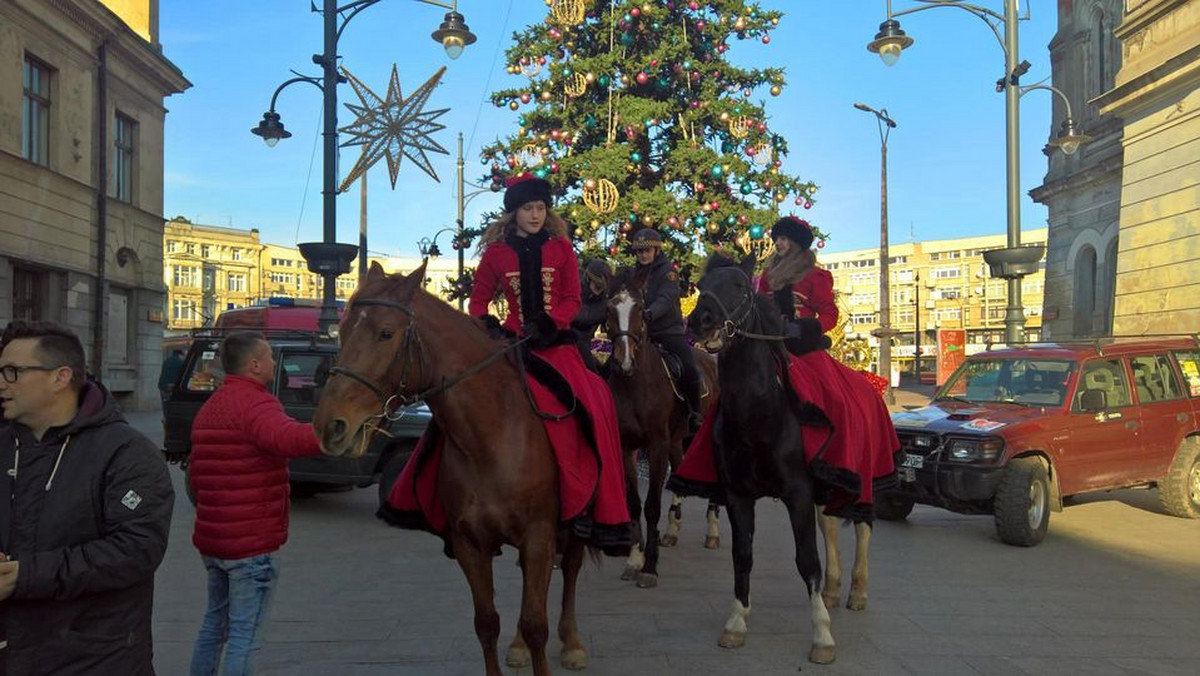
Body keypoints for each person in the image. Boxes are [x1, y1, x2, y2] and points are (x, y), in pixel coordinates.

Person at [467, 174, 631, 553]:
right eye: (528, 208)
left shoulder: (562, 250)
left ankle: (600, 505)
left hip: (557, 347)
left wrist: (549, 322)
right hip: (511, 349)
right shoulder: (496, 255)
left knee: (595, 401)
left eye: (541, 208)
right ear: (514, 212)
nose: (536, 215)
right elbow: (478, 302)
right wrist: (488, 325)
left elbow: (572, 300)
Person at [0, 320, 174, 675]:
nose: (2, 382)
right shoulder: (6, 444)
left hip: (94, 658)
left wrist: (25, 575)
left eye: (13, 371)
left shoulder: (126, 453)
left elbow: (136, 550)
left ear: (60, 378)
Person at [188, 331, 323, 676]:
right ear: (254, 365)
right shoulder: (257, 404)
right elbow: (287, 438)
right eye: (269, 357)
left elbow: (197, 478)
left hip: (215, 541)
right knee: (244, 636)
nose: (274, 363)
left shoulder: (211, 407)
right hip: (251, 546)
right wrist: (334, 430)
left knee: (213, 626)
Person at [631, 228, 704, 430]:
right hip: (642, 334)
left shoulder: (668, 272)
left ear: (656, 251)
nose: (643, 255)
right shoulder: (633, 273)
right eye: (639, 252)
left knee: (689, 368)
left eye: (647, 251)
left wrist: (649, 313)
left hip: (668, 332)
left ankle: (694, 413)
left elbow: (666, 298)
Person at [758, 216, 837, 355]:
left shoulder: (815, 276)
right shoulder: (767, 276)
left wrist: (805, 329)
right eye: (776, 239)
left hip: (802, 348)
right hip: (768, 342)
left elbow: (829, 314)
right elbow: (759, 304)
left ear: (795, 242)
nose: (777, 243)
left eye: (783, 239)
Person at [572, 258, 613, 373]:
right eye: (596, 284)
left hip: (589, 344)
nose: (598, 290)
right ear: (588, 279)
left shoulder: (605, 305)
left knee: (602, 367)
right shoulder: (573, 293)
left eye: (602, 287)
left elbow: (606, 334)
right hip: (568, 340)